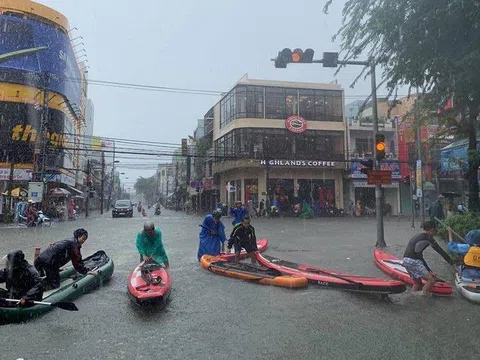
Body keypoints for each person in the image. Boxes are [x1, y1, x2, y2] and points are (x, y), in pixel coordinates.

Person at [403, 221, 456, 295]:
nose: (435, 233)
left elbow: (419, 257)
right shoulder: (428, 238)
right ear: (431, 230)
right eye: (435, 231)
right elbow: (441, 252)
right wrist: (453, 264)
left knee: (418, 284)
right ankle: (423, 297)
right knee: (431, 280)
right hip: (413, 261)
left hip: (405, 260)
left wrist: (429, 270)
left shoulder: (418, 236)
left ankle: (413, 295)